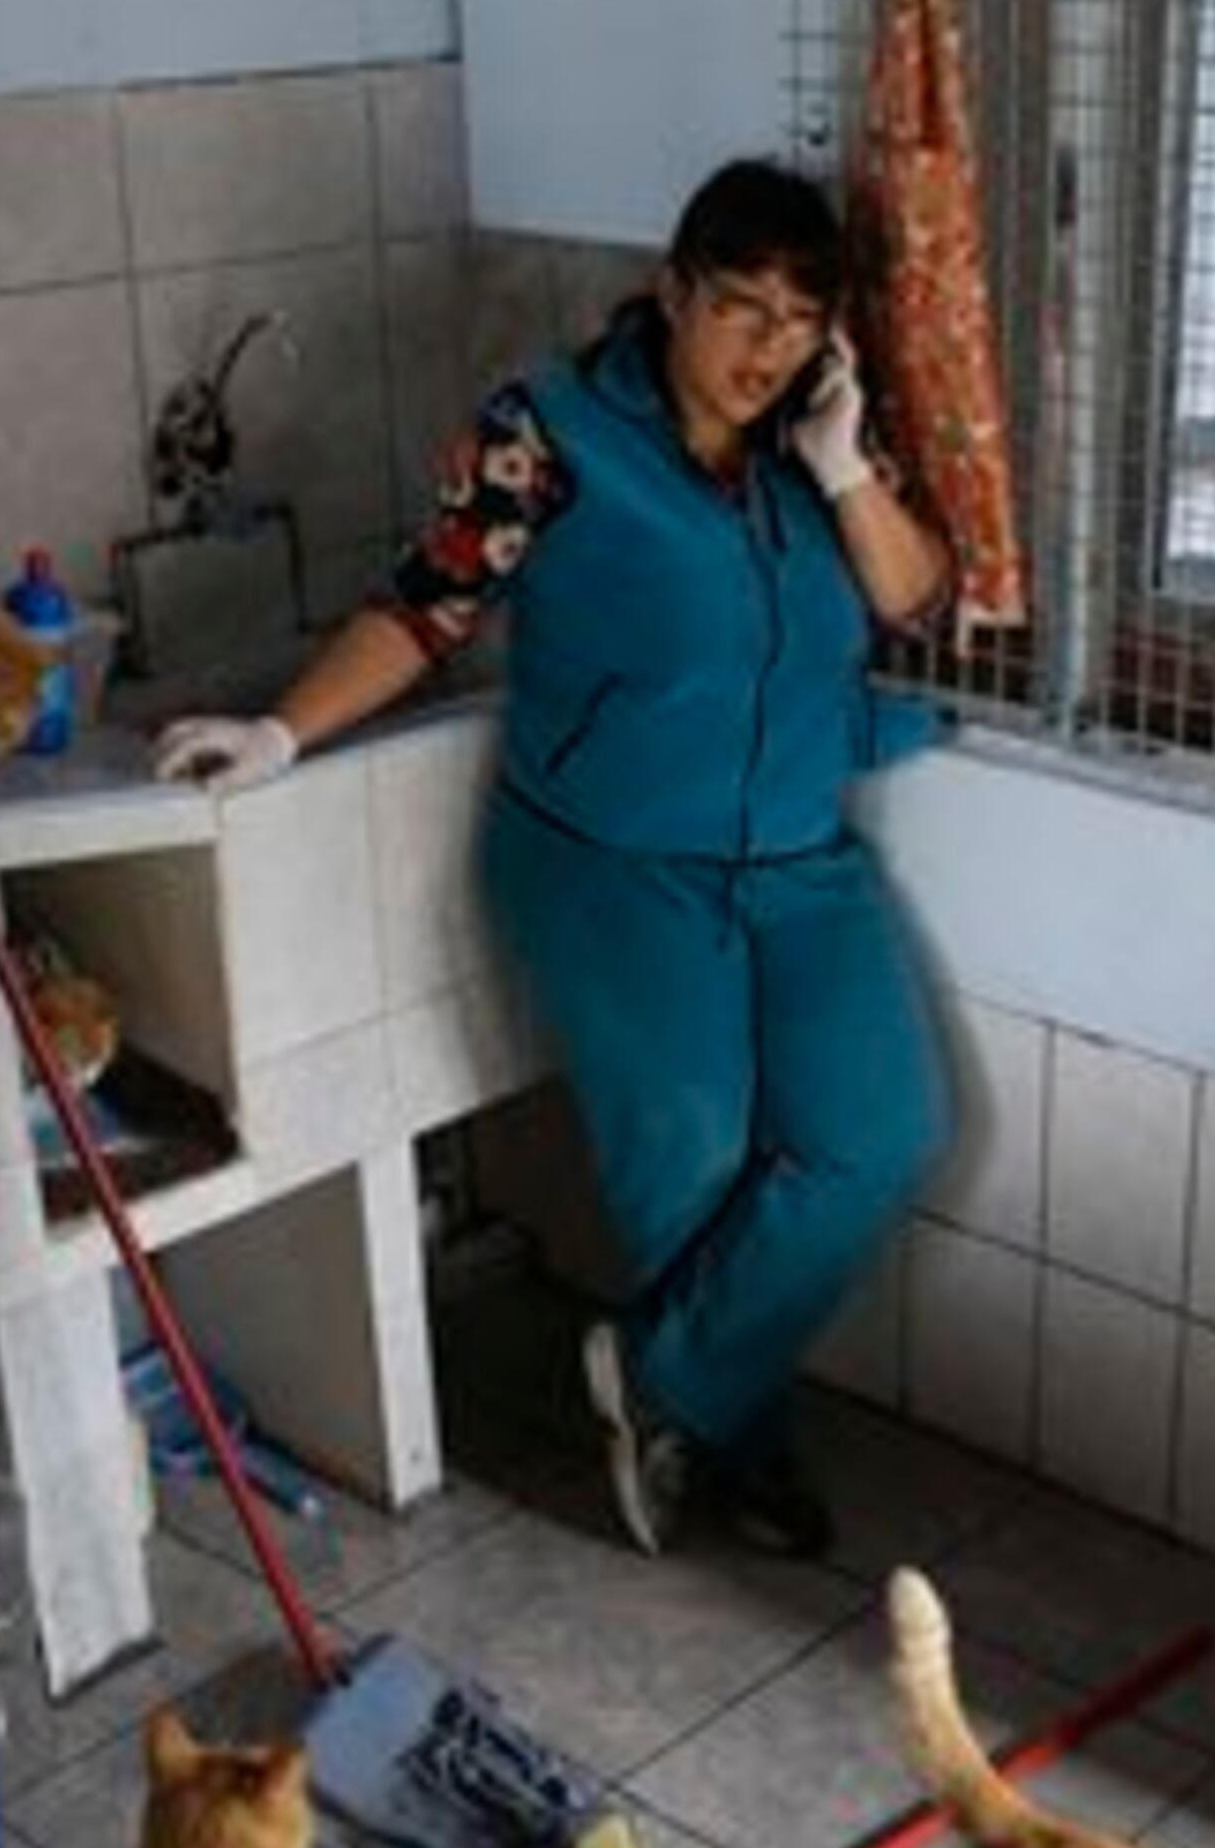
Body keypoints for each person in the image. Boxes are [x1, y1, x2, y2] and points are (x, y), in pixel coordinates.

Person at [151, 160, 958, 1560]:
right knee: (697, 1169)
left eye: (794, 318)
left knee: (881, 1130)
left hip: (798, 857)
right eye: (737, 308)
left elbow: (911, 591)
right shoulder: (552, 432)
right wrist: (280, 735)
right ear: (672, 289)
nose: (763, 347)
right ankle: (730, 1431)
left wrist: (842, 465)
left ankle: (665, 1382)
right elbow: (430, 603)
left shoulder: (808, 446)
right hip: (612, 865)